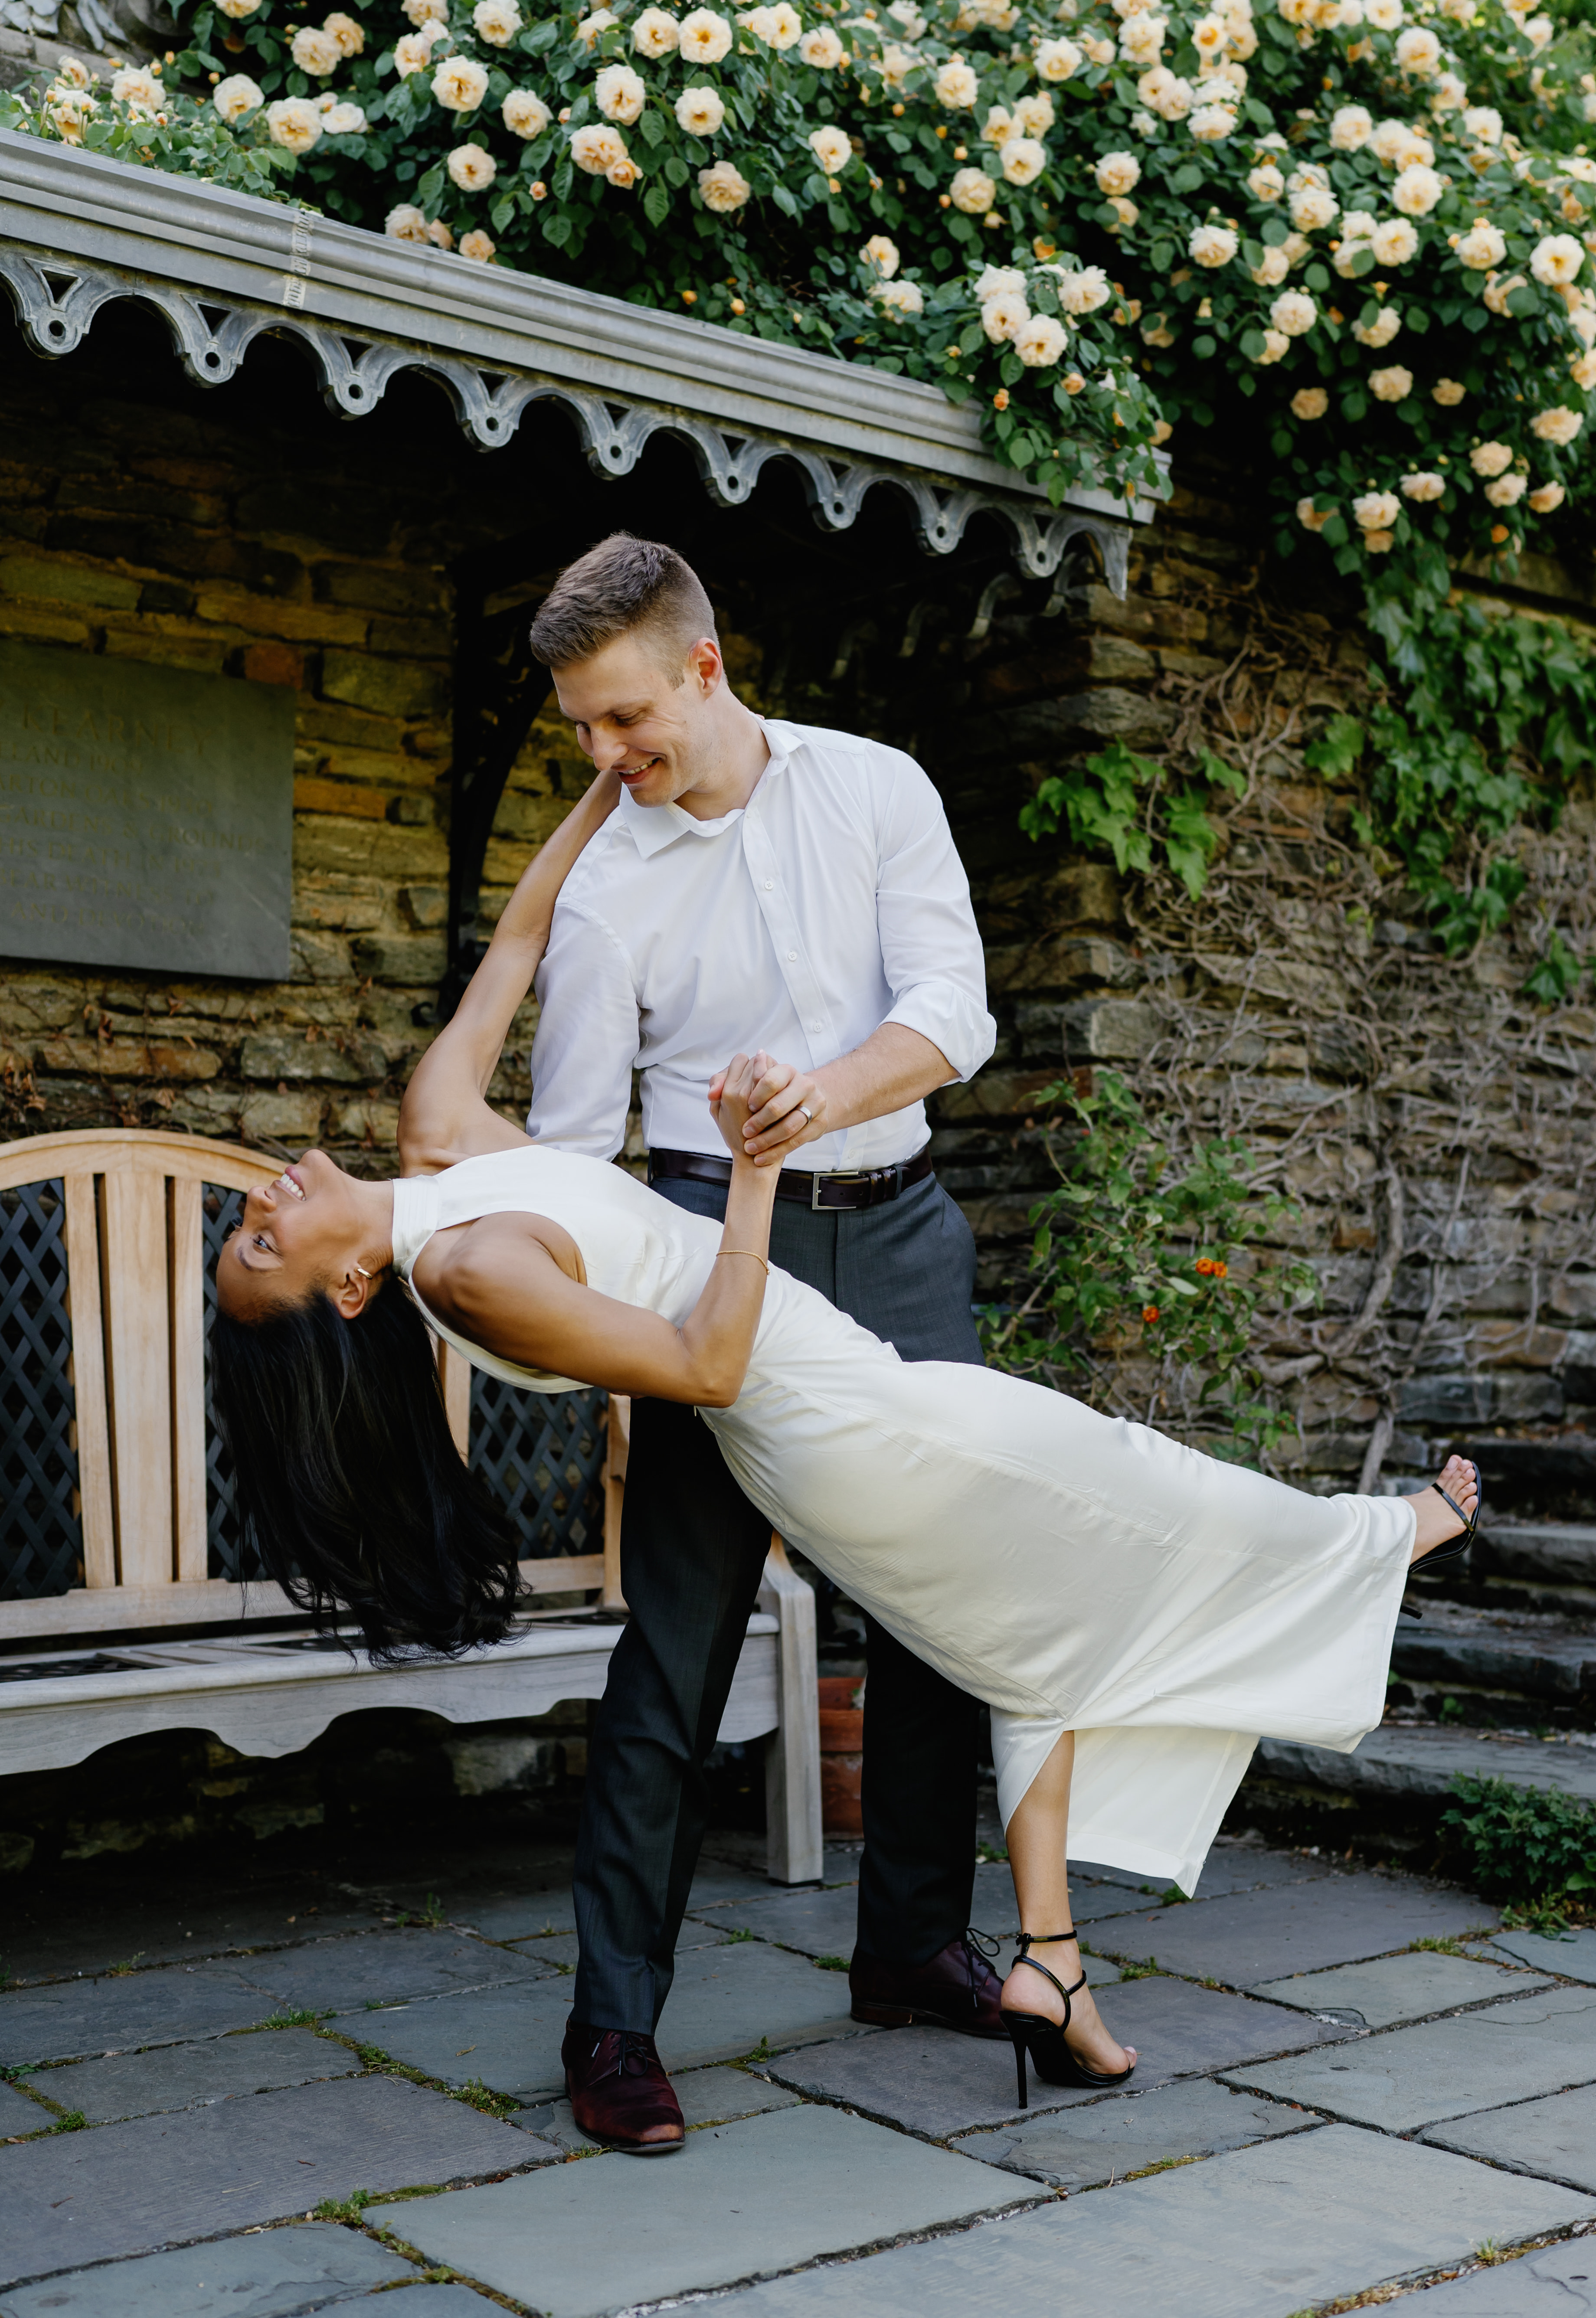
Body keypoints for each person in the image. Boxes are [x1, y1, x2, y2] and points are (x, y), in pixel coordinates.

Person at [211, 770, 1482, 2144]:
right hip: (828, 1424)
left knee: (1026, 1616)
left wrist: (597, 796)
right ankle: (1378, 1540)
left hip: (851, 1379)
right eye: (265, 1246)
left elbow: (518, 941)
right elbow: (703, 1368)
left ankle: (1050, 1969)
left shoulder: (439, 1143)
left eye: (245, 1219)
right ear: (345, 1298)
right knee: (1114, 1499)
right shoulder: (466, 1271)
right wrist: (753, 1166)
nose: (266, 1202)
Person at [521, 534, 1006, 2147]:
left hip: (909, 1225)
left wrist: (826, 1095)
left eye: (625, 719)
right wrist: (603, 1337)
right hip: (704, 1253)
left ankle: (916, 1945)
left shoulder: (879, 787)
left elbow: (957, 1001)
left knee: (941, 1608)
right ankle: (613, 2029)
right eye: (583, 730)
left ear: (706, 669)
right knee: (678, 1644)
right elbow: (573, 1147)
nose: (607, 759)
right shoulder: (603, 890)